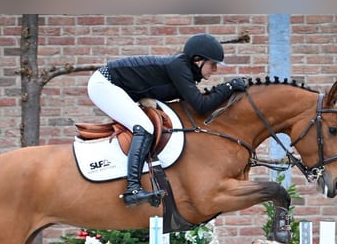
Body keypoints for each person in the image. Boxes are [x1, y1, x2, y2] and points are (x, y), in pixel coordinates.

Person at [87, 33, 248, 206]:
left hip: (118, 87)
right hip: (105, 84)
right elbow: (200, 106)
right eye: (212, 64)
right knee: (144, 127)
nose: (215, 69)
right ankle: (132, 189)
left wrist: (225, 89)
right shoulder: (179, 66)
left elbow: (196, 103)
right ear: (197, 60)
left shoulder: (184, 69)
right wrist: (229, 87)